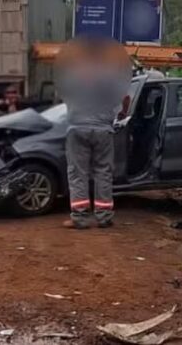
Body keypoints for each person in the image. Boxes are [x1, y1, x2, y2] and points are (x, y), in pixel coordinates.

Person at [56, 36, 131, 229]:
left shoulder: (72, 74)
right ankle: (104, 216)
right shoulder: (109, 75)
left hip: (77, 128)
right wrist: (121, 112)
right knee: (103, 173)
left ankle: (80, 218)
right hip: (103, 130)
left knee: (77, 173)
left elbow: (62, 95)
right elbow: (124, 98)